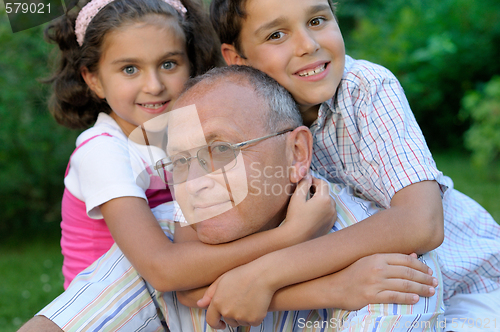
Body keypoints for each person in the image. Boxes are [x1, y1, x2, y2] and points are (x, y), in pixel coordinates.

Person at [19, 65, 443, 332]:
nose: (196, 183)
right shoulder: (164, 239)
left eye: (221, 151)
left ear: (297, 154)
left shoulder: (387, 270)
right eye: (181, 161)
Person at [209, 0, 500, 329]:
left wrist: (267, 272)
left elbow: (422, 223)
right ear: (236, 58)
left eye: (317, 20)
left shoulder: (366, 89)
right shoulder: (240, 123)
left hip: (470, 285)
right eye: (277, 34)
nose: (308, 44)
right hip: (367, 289)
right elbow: (197, 274)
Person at [44, 0, 223, 288]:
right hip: (106, 315)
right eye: (130, 69)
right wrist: (286, 237)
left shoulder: (192, 139)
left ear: (191, 64)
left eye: (168, 64)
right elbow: (163, 270)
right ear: (94, 80)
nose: (154, 85)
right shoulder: (101, 151)